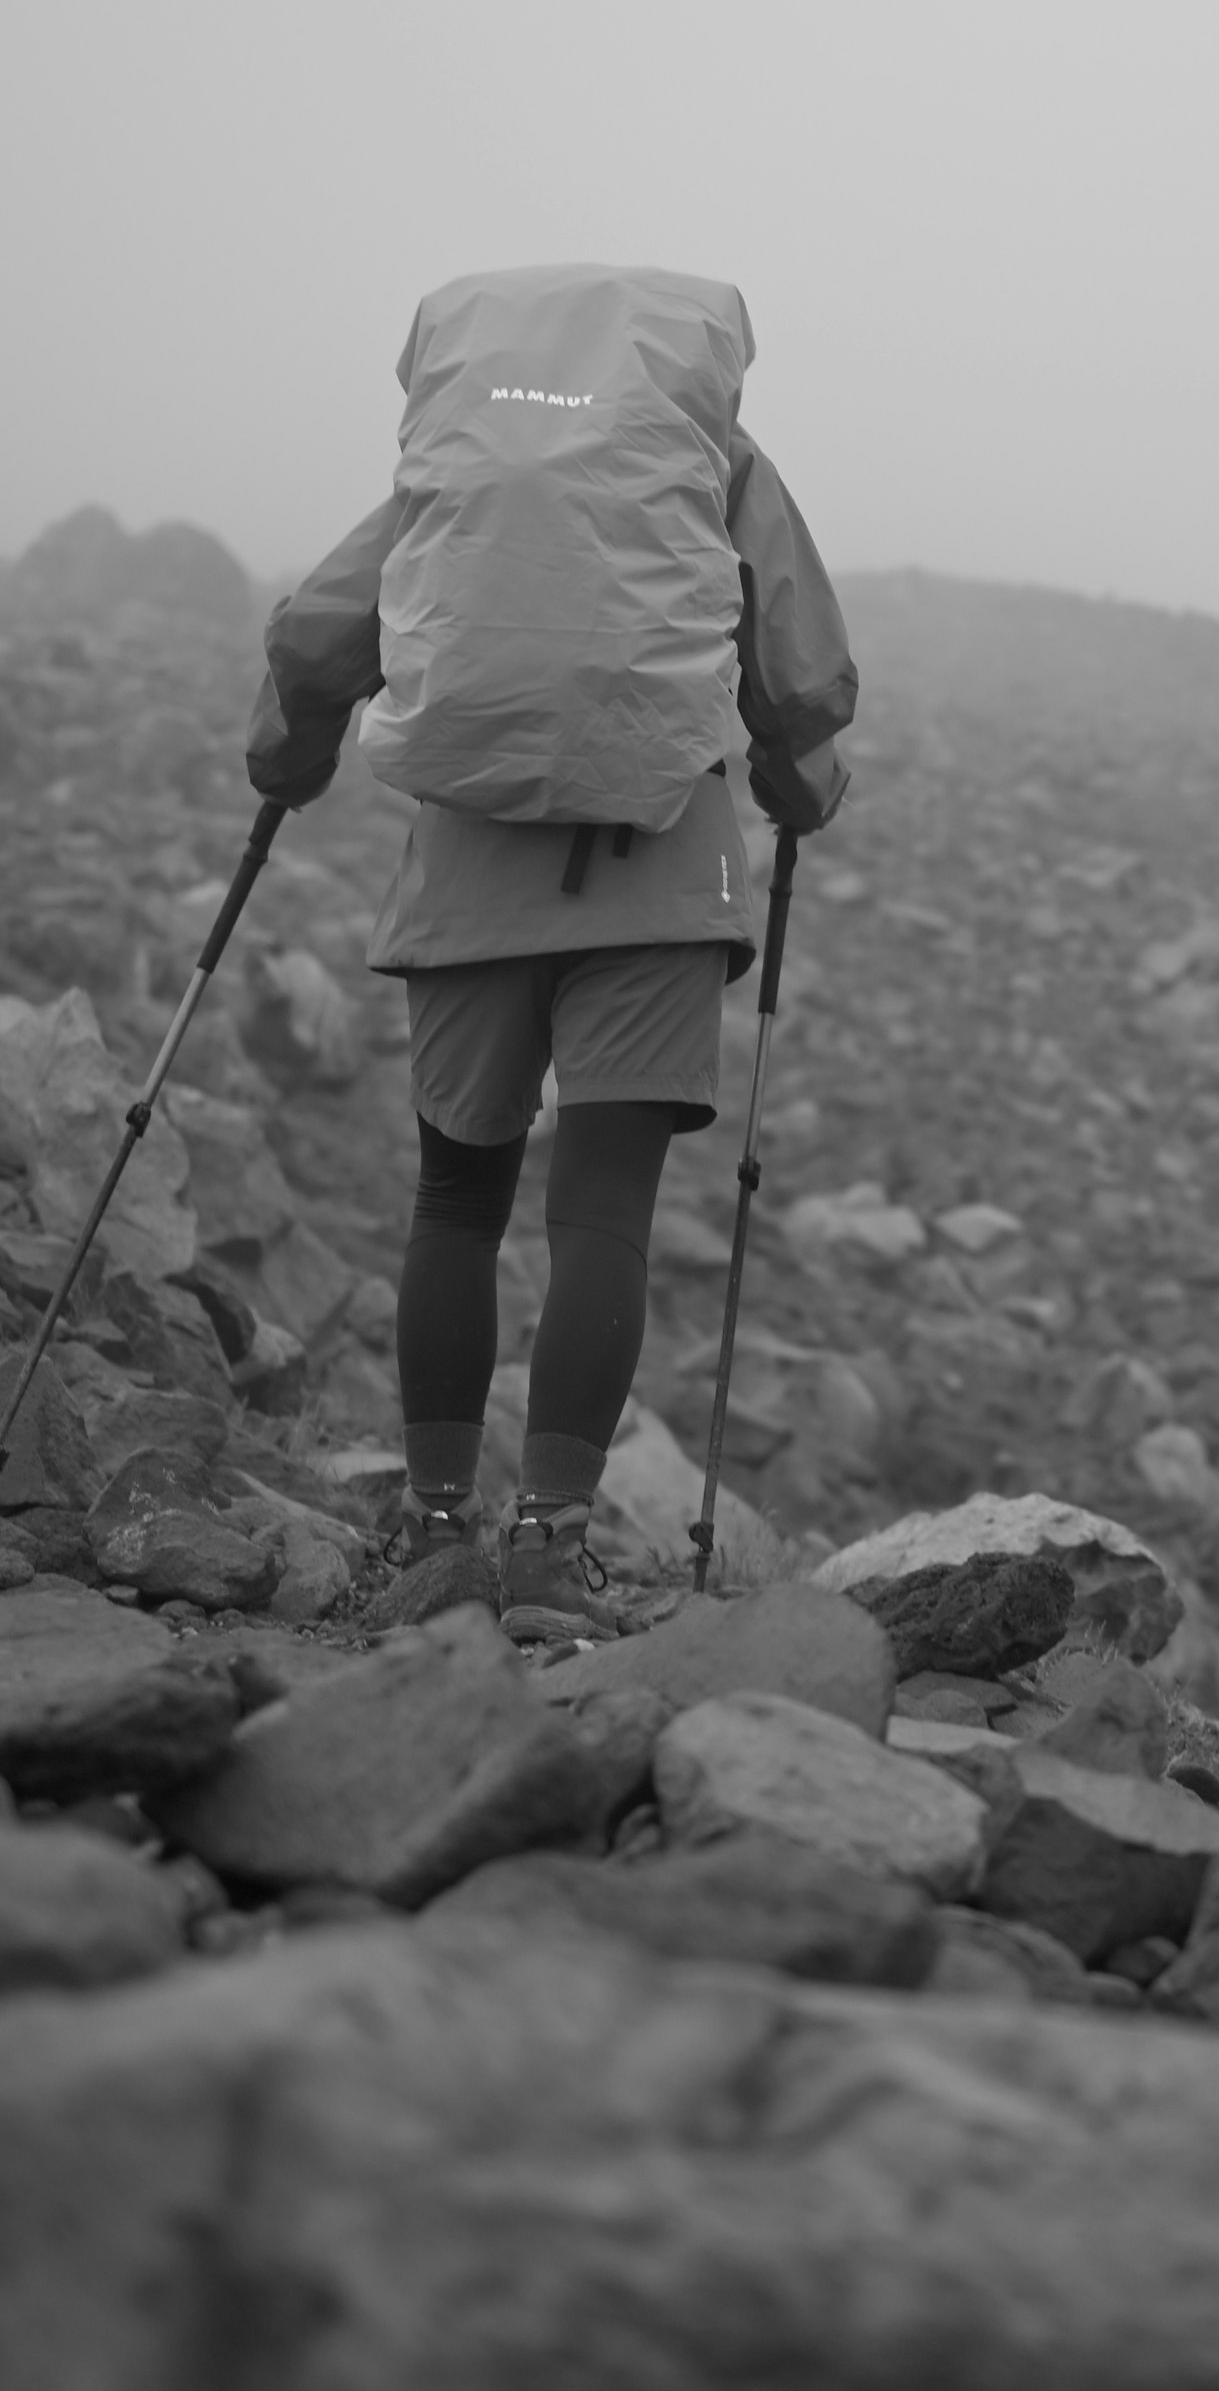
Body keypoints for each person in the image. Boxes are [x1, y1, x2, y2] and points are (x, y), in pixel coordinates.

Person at [242, 264, 855, 1623]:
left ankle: (434, 1525)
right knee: (603, 1216)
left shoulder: (456, 476)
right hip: (656, 874)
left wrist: (287, 765)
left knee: (456, 1202)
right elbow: (801, 677)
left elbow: (313, 636)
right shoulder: (715, 463)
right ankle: (550, 1544)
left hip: (469, 874)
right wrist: (804, 792)